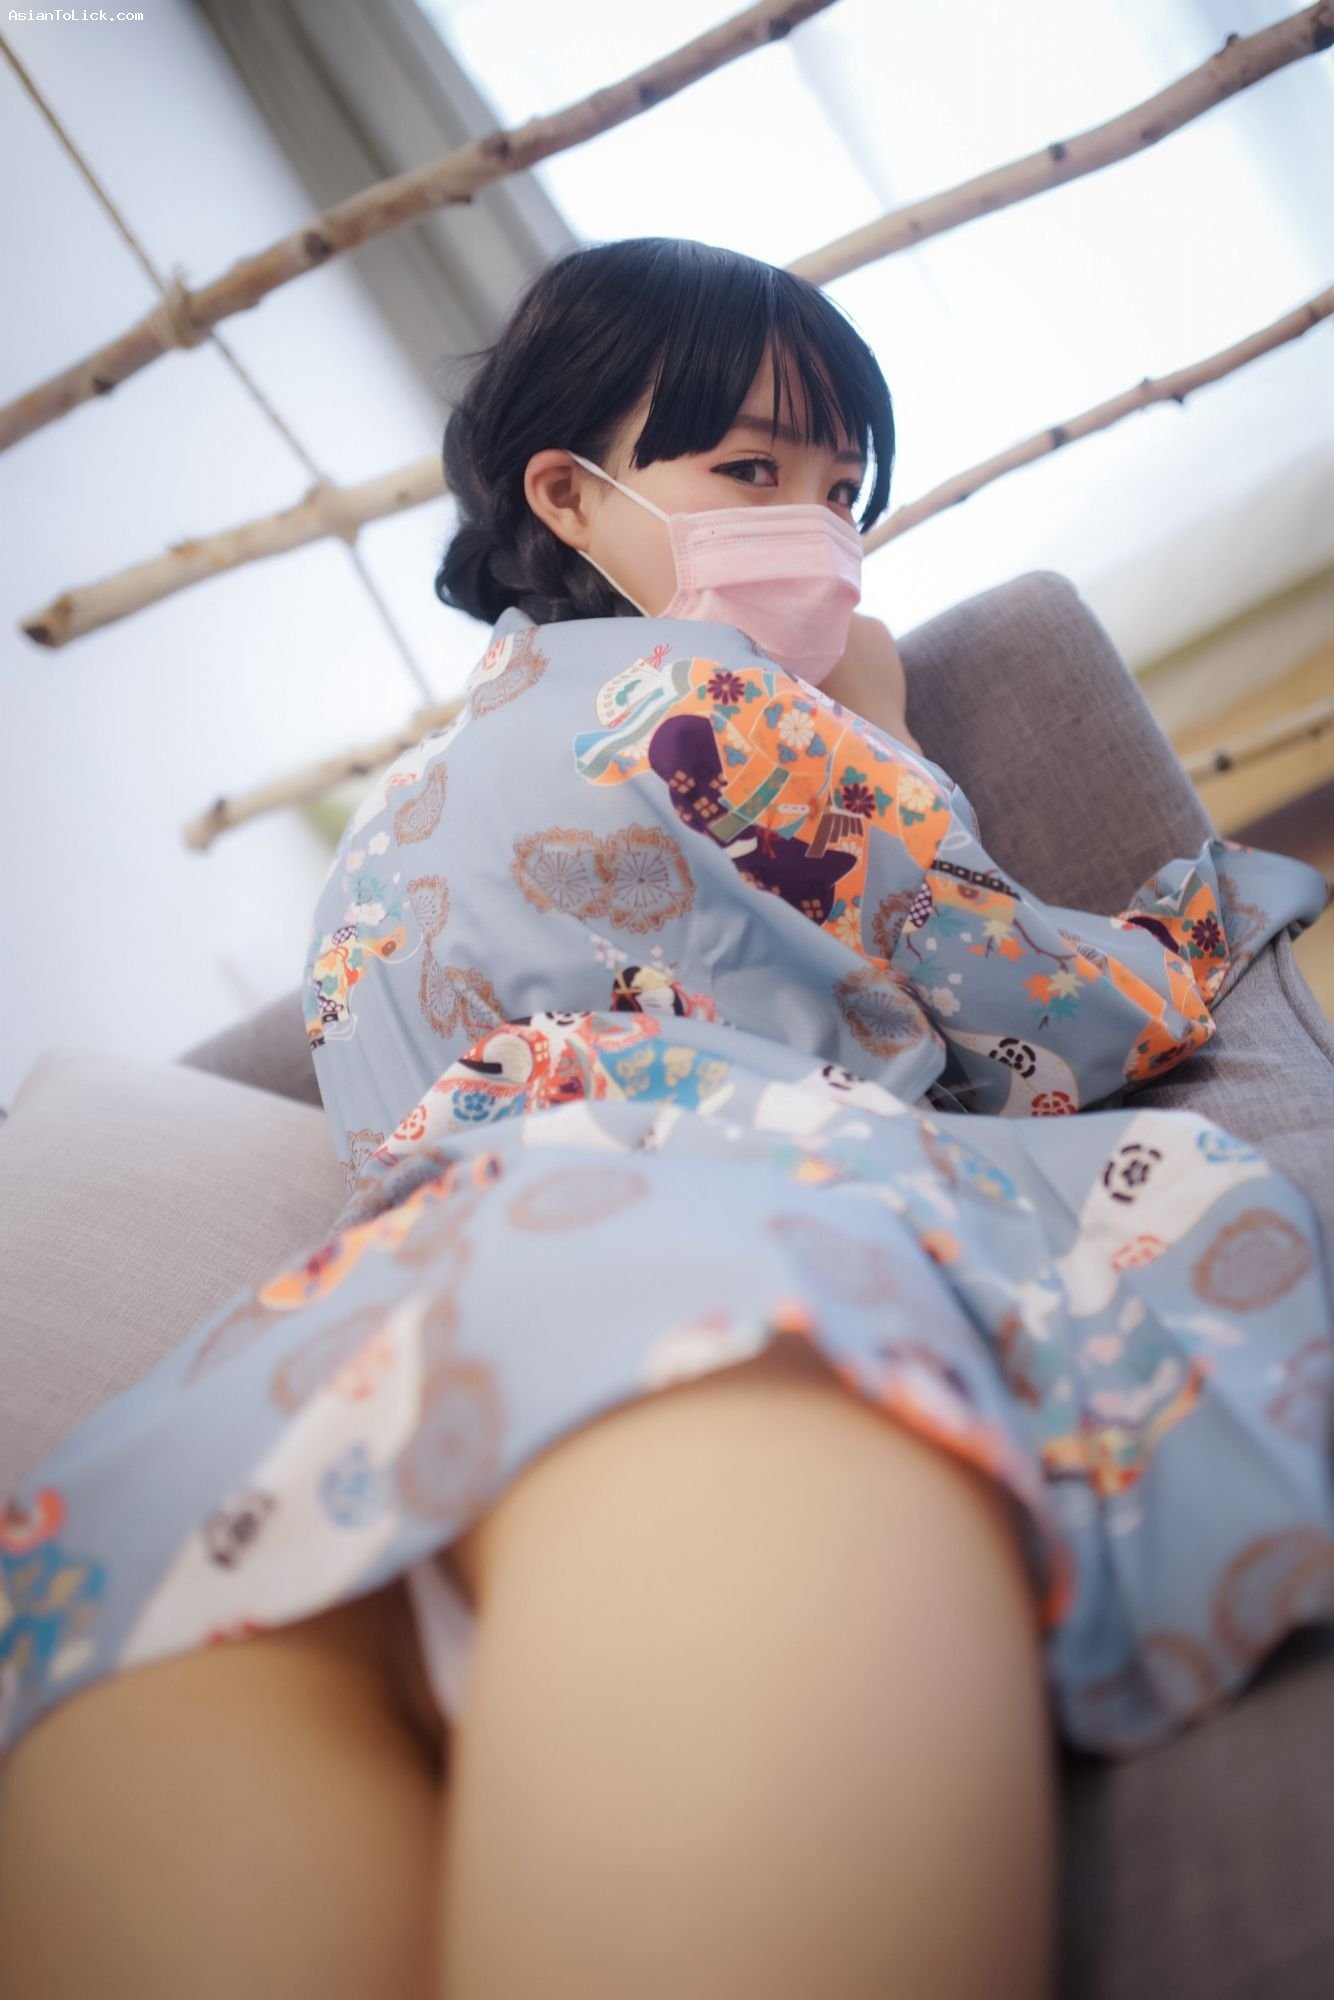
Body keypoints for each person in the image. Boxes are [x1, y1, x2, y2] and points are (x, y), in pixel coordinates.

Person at [2, 236, 1331, 2000]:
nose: (817, 529)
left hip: (271, 1400)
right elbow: (1046, 1026)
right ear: (567, 492)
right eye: (751, 470)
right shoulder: (728, 710)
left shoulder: (375, 845)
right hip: (692, 1255)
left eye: (841, 491)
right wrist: (906, 748)